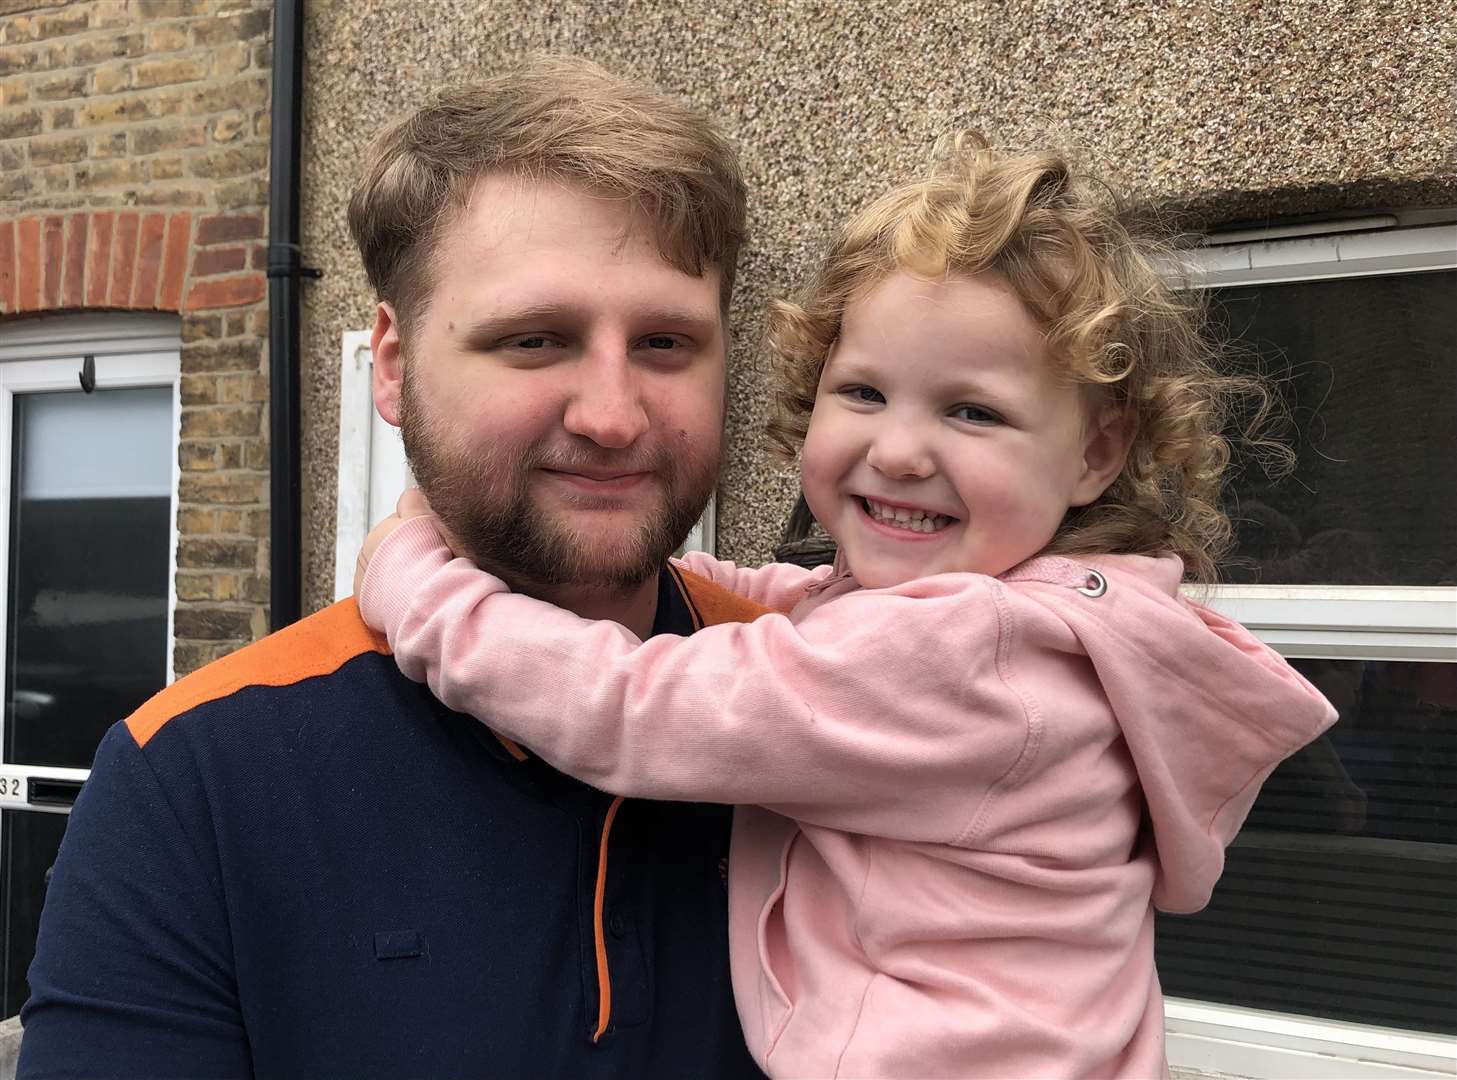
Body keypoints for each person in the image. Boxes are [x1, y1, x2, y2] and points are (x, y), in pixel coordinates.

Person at [354, 136, 1340, 1077]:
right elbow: (817, 606)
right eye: (863, 392)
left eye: (972, 412)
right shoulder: (1060, 622)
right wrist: (657, 572)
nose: (900, 450)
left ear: (1094, 452)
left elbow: (637, 711)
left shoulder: (970, 651)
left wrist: (421, 586)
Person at [19, 56, 768, 1079]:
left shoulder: (817, 699)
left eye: (666, 342)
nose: (611, 414)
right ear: (393, 362)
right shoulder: (194, 784)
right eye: (535, 339)